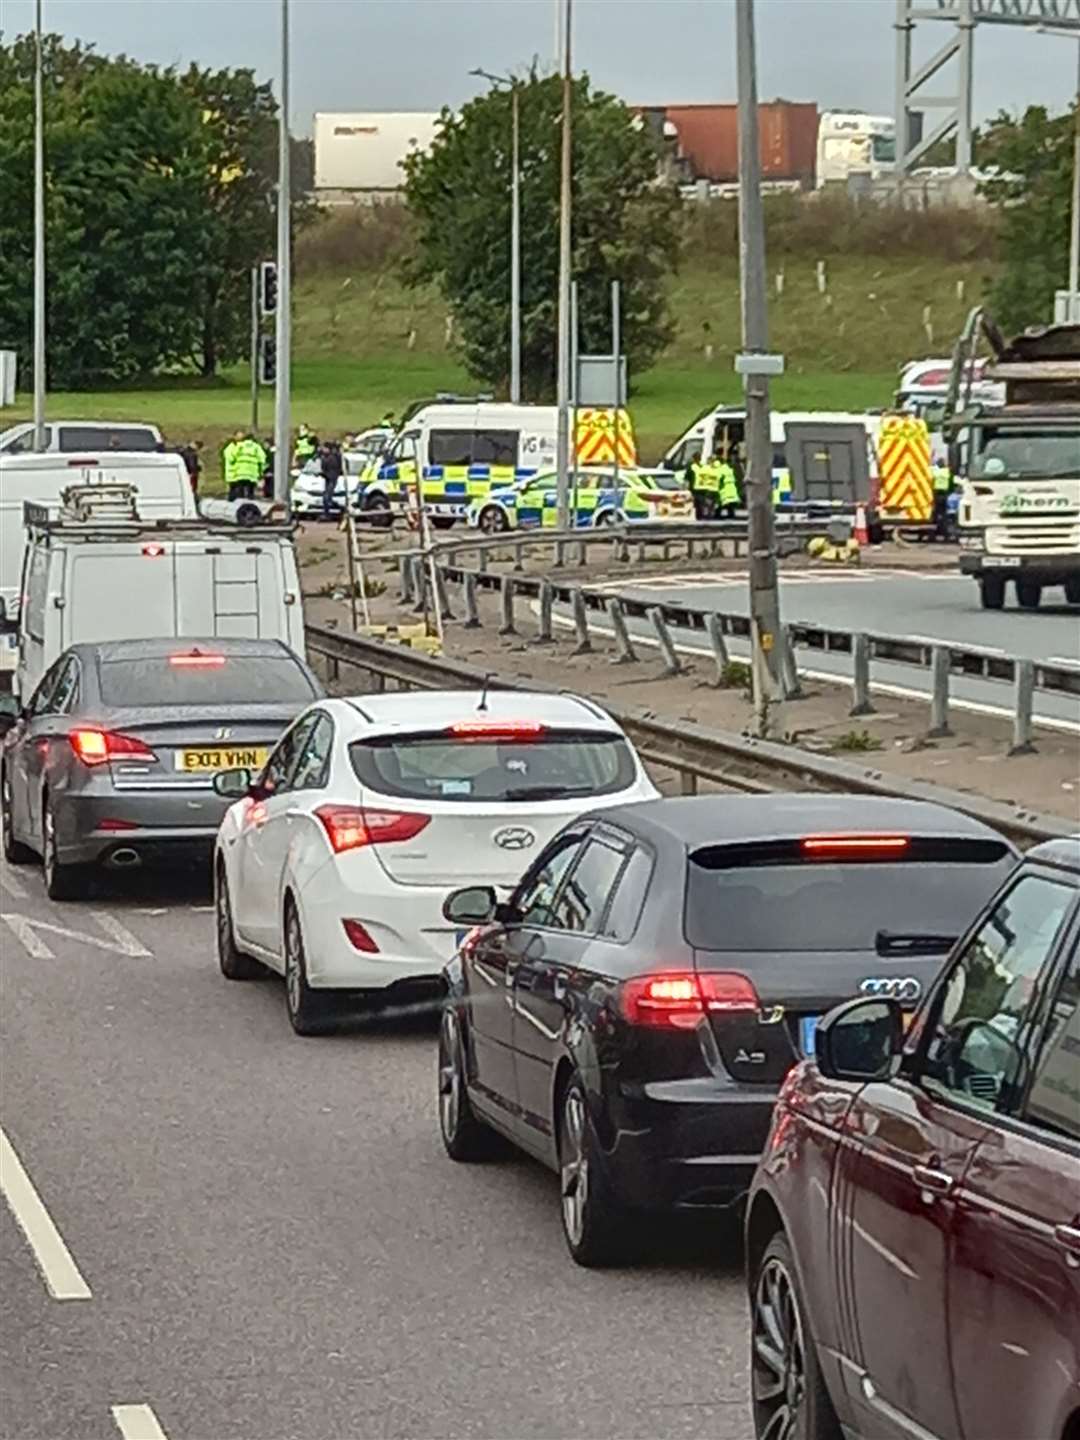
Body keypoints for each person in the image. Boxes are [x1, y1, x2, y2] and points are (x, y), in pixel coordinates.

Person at [318, 439, 344, 519]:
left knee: (327, 497)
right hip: (327, 478)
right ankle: (328, 513)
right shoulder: (324, 457)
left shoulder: (333, 457)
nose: (323, 450)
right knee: (326, 497)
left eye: (325, 448)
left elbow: (334, 470)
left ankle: (339, 509)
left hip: (331, 479)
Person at [932, 461, 953, 540]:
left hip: (937, 495)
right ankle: (944, 531)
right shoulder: (947, 473)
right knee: (944, 514)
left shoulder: (935, 473)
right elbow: (951, 484)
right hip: (944, 495)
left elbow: (931, 482)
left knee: (937, 514)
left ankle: (938, 529)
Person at [716, 454, 740, 519]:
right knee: (730, 503)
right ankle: (731, 514)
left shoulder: (721, 468)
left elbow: (719, 477)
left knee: (722, 501)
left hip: (725, 487)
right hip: (732, 487)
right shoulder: (729, 468)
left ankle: (717, 514)